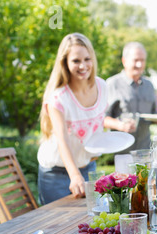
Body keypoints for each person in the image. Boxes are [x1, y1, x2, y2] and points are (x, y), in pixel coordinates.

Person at [37, 33, 107, 205]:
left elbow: (95, 121)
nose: (83, 66)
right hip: (57, 173)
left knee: (91, 223)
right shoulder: (58, 98)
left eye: (87, 59)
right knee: (58, 228)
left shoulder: (102, 86)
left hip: (88, 167)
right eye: (76, 61)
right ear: (65, 63)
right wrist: (74, 175)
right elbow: (62, 140)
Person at [104, 42, 157, 152]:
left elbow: (153, 116)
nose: (139, 64)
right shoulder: (112, 84)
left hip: (145, 150)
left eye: (142, 60)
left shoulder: (149, 86)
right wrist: (120, 125)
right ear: (124, 61)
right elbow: (102, 118)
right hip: (122, 150)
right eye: (136, 60)